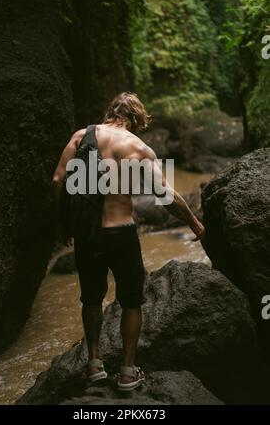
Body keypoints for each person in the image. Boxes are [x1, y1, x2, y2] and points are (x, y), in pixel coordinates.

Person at [51, 92, 205, 391]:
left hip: (88, 234)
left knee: (91, 298)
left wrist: (65, 224)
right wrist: (194, 222)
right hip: (121, 232)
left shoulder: (81, 137)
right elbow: (165, 196)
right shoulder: (138, 147)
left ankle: (94, 364)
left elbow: (58, 182)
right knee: (132, 301)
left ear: (110, 112)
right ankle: (127, 371)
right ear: (136, 120)